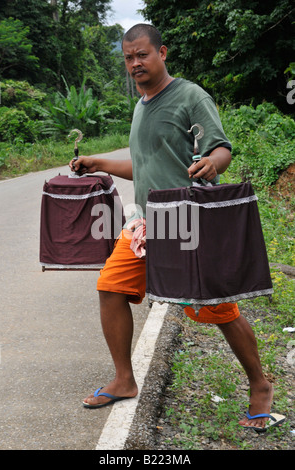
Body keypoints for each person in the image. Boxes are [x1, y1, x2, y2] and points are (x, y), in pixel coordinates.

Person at [70, 24, 275, 432]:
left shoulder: (190, 96)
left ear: (161, 52)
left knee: (217, 308)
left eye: (142, 54)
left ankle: (260, 384)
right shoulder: (141, 104)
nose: (135, 63)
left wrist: (213, 163)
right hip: (147, 223)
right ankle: (125, 380)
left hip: (186, 220)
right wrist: (99, 162)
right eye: (128, 57)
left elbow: (221, 147)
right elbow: (145, 166)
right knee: (110, 287)